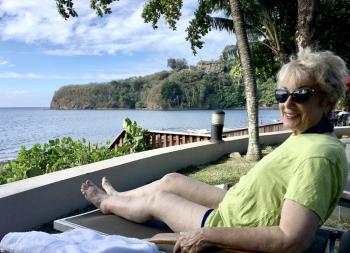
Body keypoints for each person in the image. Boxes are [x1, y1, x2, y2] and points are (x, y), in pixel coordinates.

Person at [81, 49, 348, 253]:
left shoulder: (318, 156)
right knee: (171, 180)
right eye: (282, 95)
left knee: (158, 200)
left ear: (327, 101)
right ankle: (119, 197)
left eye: (300, 95)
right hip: (235, 204)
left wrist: (208, 235)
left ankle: (108, 203)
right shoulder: (308, 135)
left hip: (228, 222)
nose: (287, 103)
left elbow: (292, 239)